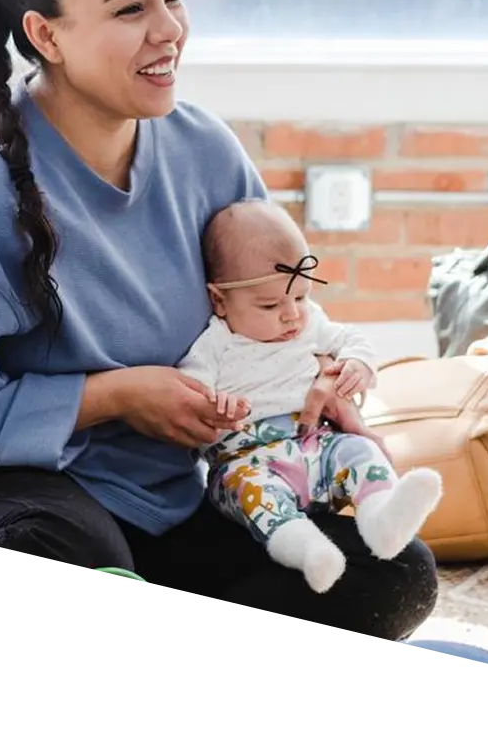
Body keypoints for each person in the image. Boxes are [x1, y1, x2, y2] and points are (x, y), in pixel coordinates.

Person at [0, 0, 437, 644]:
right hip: (19, 497)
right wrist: (114, 397)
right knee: (59, 548)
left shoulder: (205, 151)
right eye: (131, 8)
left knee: (391, 573)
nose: (169, 30)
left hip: (174, 499)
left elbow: (274, 310)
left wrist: (325, 395)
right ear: (47, 35)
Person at [178, 199, 443, 594]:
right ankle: (307, 550)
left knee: (358, 451)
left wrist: (357, 363)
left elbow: (351, 338)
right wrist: (216, 406)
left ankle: (383, 520)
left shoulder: (308, 323)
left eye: (300, 297)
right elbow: (190, 396)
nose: (292, 316)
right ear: (220, 300)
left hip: (313, 443)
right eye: (270, 304)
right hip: (246, 460)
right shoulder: (213, 345)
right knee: (255, 494)